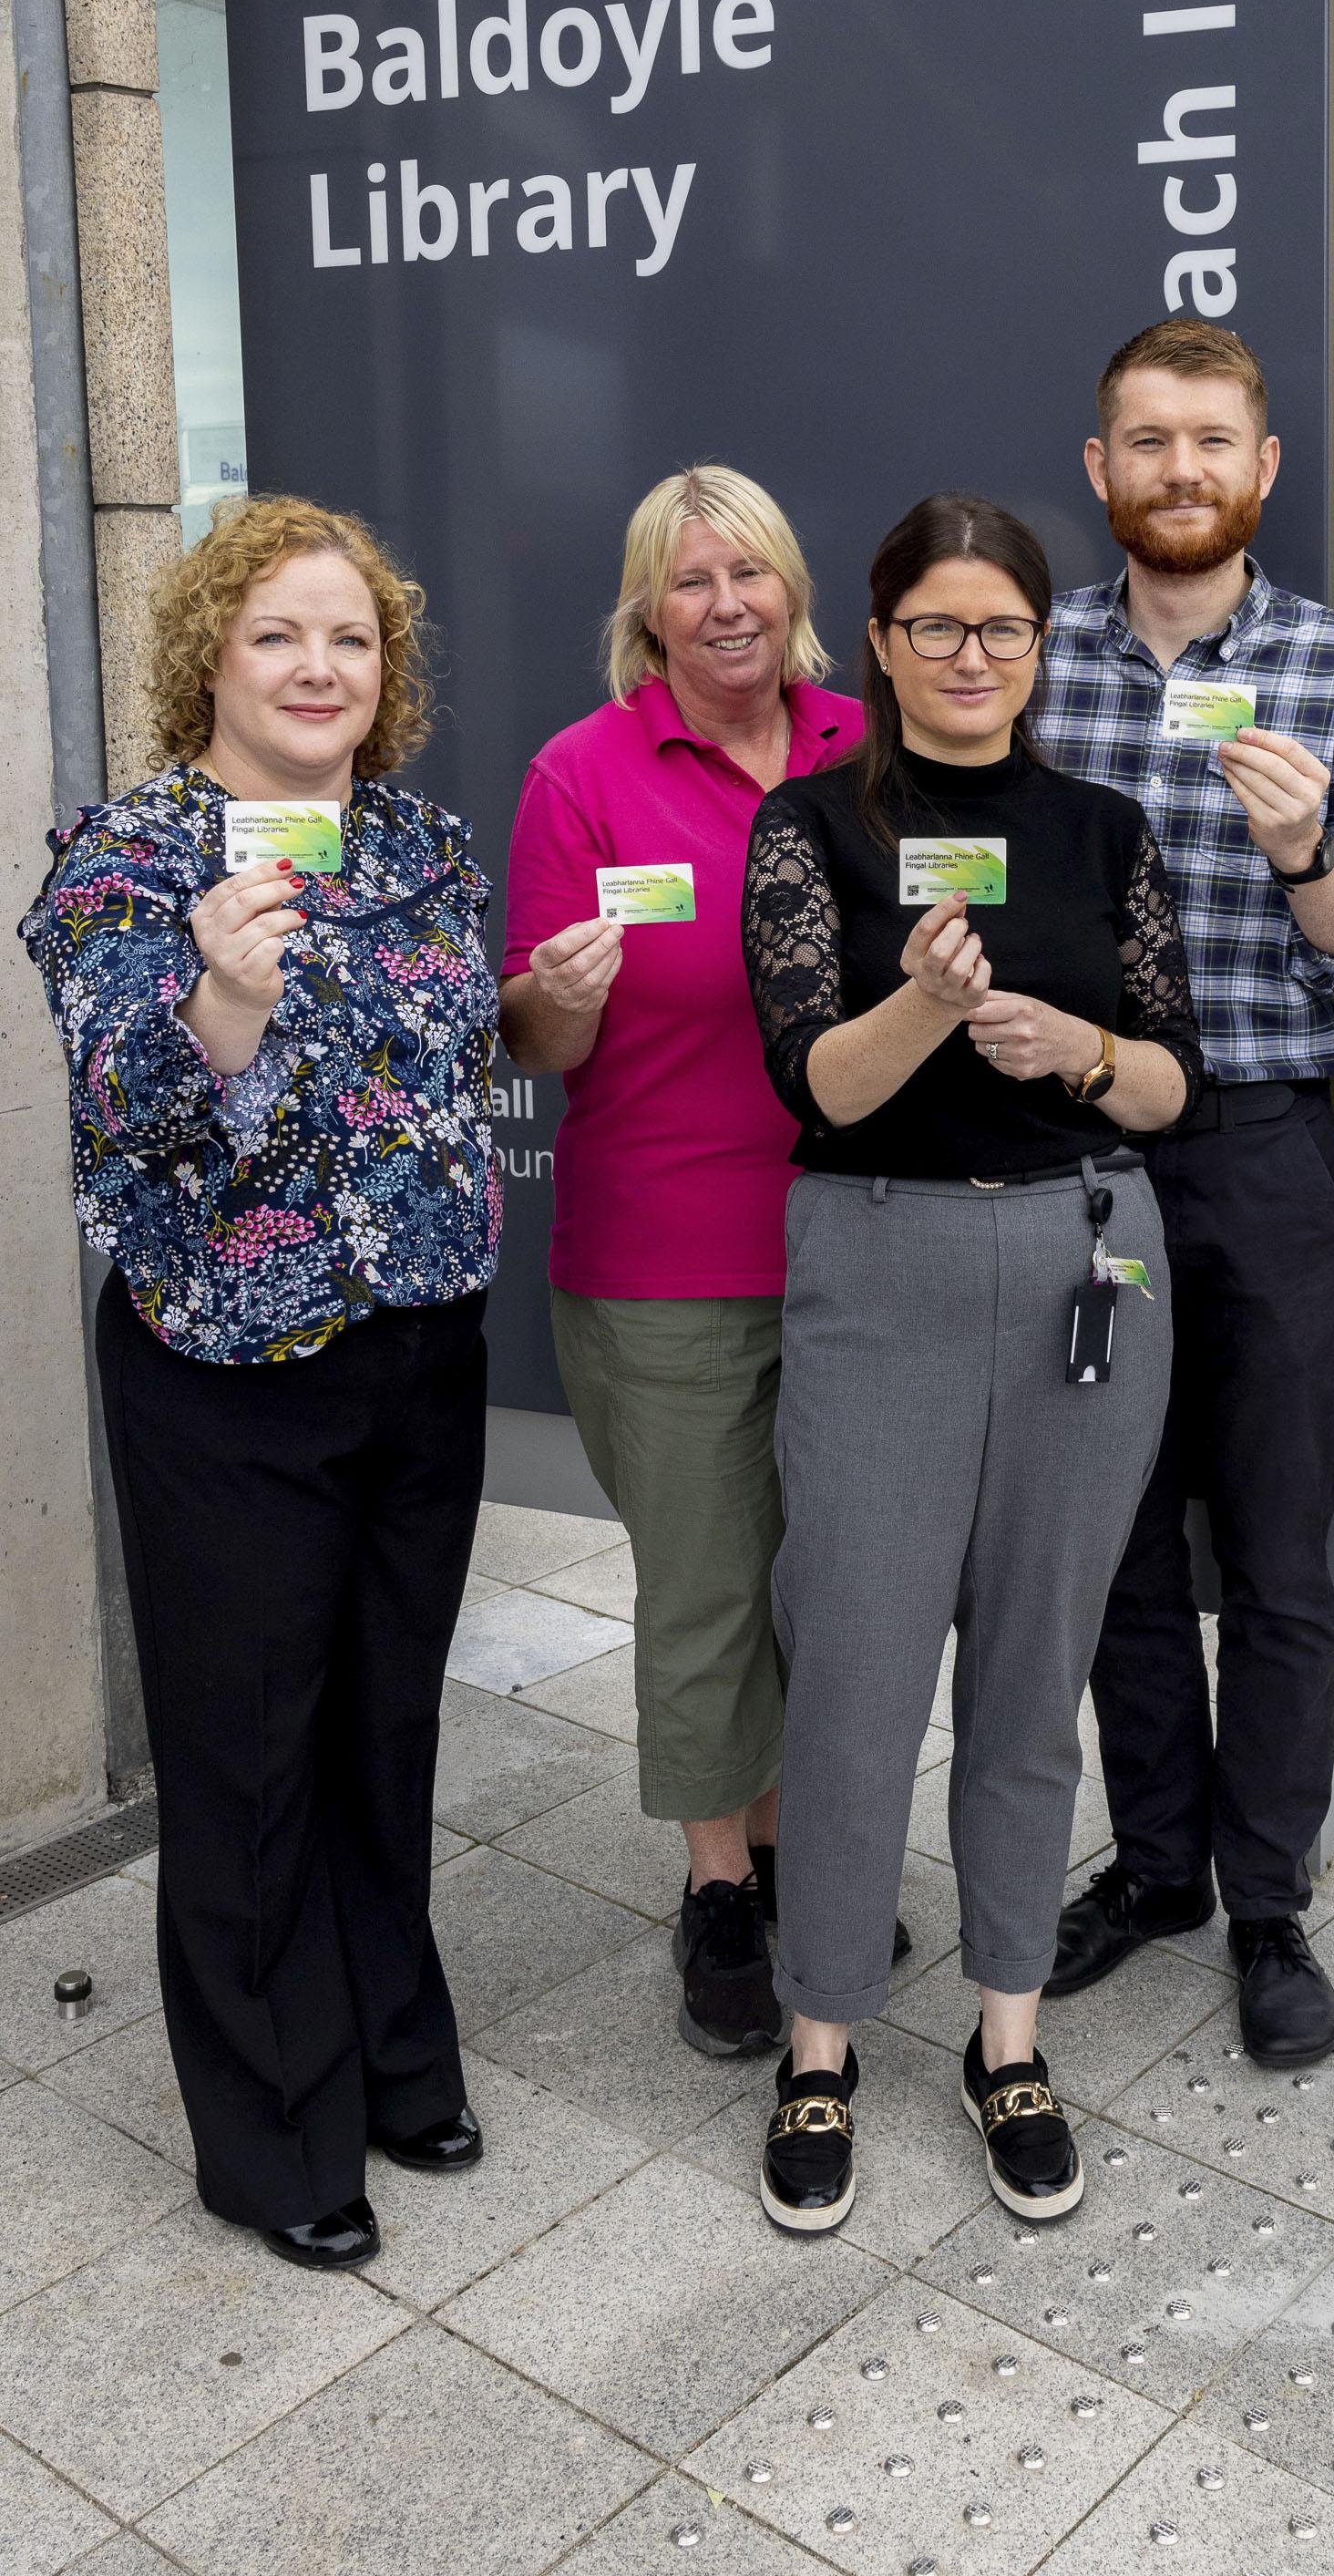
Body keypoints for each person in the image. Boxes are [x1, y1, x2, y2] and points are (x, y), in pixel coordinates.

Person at [21, 495, 502, 2272]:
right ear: (208, 655)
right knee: (248, 1762)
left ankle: (389, 2055)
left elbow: (446, 1064)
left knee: (384, 1732)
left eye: (353, 638)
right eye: (280, 633)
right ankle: (272, 2131)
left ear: (390, 673)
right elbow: (130, 1119)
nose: (319, 666)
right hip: (229, 1366)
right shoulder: (129, 862)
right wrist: (223, 999)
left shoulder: (423, 848)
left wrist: (556, 1010)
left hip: (423, 1349)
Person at [740, 493, 1200, 2233]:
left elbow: (1174, 1085)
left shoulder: (1103, 830)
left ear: (1040, 645)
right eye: (932, 626)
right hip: (878, 1259)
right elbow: (819, 1086)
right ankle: (821, 2041)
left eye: (999, 628)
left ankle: (1006, 2031)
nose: (967, 657)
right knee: (854, 1679)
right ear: (878, 642)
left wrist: (1082, 1046)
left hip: (1092, 1257)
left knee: (1033, 1672)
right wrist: (928, 1006)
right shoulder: (810, 830)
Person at [1036, 316, 1334, 2066]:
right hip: (1075, 1150)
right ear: (1099, 468)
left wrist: (1302, 850)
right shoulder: (1023, 663)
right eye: (1145, 440)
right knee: (1110, 1540)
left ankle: (1269, 1905)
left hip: (1258, 1150)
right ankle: (1158, 1867)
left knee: (1272, 1546)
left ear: (1262, 472)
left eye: (1211, 442)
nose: (1178, 470)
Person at [500, 466, 877, 2064]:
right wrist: (569, 994)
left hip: (868, 1243)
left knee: (838, 1585)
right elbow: (532, 1033)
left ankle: (801, 1854)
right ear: (645, 611)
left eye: (754, 574)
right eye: (690, 580)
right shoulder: (580, 774)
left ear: (795, 591)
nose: (728, 606)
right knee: (711, 1589)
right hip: (665, 1255)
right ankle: (720, 1886)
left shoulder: (875, 748)